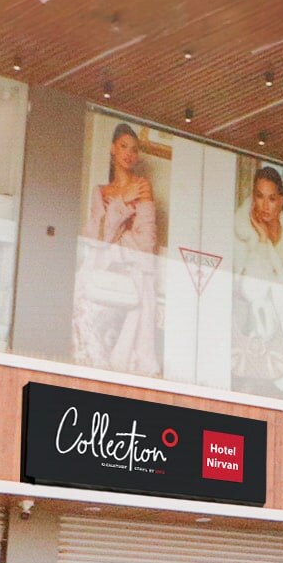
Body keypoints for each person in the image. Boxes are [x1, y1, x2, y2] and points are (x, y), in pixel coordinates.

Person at [72, 122, 164, 374]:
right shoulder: (101, 191)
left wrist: (114, 242)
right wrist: (122, 202)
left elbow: (146, 243)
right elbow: (96, 237)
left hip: (134, 277)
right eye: (124, 146)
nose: (129, 154)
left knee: (128, 345)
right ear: (113, 148)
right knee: (83, 317)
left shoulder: (143, 187)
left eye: (134, 149)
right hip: (103, 274)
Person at [232, 163, 283, 398]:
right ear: (253, 199)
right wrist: (261, 239)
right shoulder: (245, 234)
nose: (265, 205)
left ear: (281, 200)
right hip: (272, 324)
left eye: (271, 198)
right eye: (259, 197)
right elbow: (251, 290)